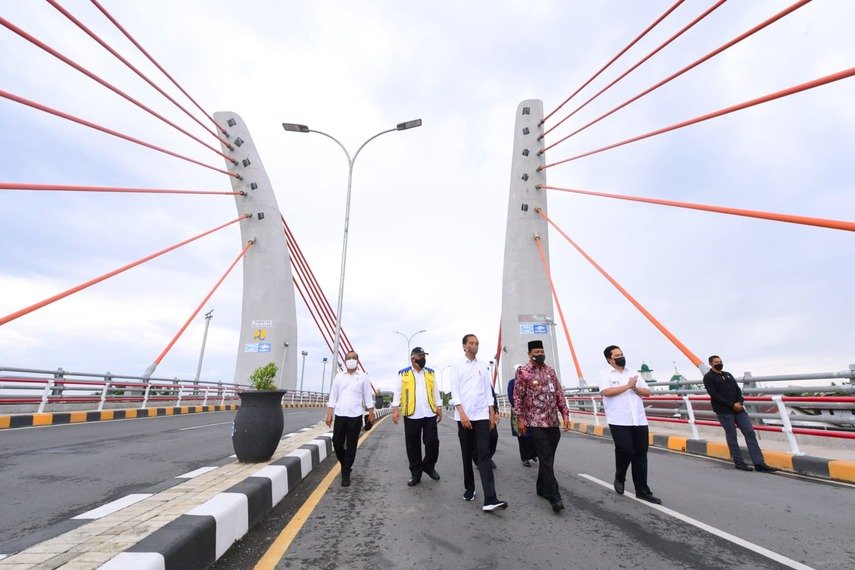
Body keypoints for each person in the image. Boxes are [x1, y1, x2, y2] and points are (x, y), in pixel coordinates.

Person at [450, 334, 508, 512]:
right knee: (467, 454)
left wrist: (492, 413)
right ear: (464, 346)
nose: (474, 346)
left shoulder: (483, 366)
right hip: (465, 417)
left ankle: (490, 498)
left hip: (482, 415)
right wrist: (462, 413)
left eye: (477, 343)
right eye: (471, 343)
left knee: (484, 455)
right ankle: (470, 487)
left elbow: (487, 391)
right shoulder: (457, 366)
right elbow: (455, 392)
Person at [598, 345, 661, 504]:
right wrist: (627, 386)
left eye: (622, 354)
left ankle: (642, 490)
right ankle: (620, 476)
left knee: (641, 455)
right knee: (626, 450)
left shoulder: (634, 373)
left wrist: (635, 388)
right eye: (617, 355)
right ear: (609, 359)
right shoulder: (605, 374)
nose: (621, 357)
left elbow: (647, 392)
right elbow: (606, 392)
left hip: (638, 420)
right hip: (619, 420)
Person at [513, 340, 571, 512]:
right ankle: (554, 496)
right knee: (545, 457)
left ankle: (540, 487)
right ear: (529, 353)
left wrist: (565, 415)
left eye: (541, 350)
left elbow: (559, 394)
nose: (539, 354)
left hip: (552, 421)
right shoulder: (523, 372)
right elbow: (518, 397)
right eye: (536, 351)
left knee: (548, 458)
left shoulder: (550, 371)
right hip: (535, 421)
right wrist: (520, 420)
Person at [703, 355, 778, 473]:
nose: (720, 363)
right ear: (711, 364)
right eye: (717, 362)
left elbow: (737, 390)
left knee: (749, 432)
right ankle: (739, 462)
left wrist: (739, 402)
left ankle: (759, 463)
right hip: (724, 411)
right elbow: (714, 395)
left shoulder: (727, 374)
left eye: (721, 361)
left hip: (738, 409)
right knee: (732, 435)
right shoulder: (708, 377)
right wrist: (732, 405)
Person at [391, 347, 442, 486]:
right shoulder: (404, 373)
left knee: (433, 443)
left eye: (424, 356)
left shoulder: (430, 373)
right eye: (420, 356)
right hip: (412, 414)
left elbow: (435, 390)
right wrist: (395, 410)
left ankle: (428, 466)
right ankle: (416, 474)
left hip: (429, 413)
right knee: (413, 446)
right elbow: (398, 392)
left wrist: (439, 407)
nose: (423, 359)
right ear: (413, 358)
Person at [325, 350, 375, 487]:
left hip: (355, 415)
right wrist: (329, 413)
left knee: (352, 445)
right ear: (345, 360)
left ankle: (345, 473)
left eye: (354, 358)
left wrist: (371, 412)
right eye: (349, 358)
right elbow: (333, 396)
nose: (351, 360)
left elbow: (367, 395)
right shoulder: (339, 377)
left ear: (358, 361)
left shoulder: (363, 377)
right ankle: (345, 463)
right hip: (340, 414)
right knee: (337, 443)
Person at [508, 365, 537, 467]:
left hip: (529, 413)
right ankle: (525, 458)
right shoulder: (512, 382)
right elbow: (512, 398)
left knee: (532, 434)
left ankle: (532, 454)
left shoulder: (528, 381)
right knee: (522, 436)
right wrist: (519, 408)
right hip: (518, 413)